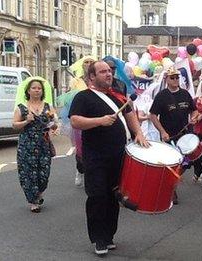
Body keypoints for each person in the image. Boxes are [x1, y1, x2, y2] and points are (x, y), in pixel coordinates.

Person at [69, 61, 148, 256]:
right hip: (95, 157)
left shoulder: (118, 96)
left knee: (114, 196)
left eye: (109, 71)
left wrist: (138, 133)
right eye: (103, 72)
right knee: (97, 196)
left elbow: (130, 116)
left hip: (119, 155)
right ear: (92, 77)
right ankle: (99, 238)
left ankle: (109, 235)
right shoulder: (84, 97)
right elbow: (75, 121)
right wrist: (99, 121)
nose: (108, 74)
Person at [149, 67, 199, 204]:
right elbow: (152, 116)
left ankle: (170, 185)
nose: (176, 79)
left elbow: (194, 111)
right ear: (166, 79)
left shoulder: (185, 94)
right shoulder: (161, 96)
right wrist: (162, 132)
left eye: (177, 77)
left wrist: (194, 118)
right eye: (172, 77)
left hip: (185, 136)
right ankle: (171, 190)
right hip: (168, 136)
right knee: (172, 164)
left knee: (186, 163)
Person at [13, 78, 57, 213]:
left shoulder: (48, 106)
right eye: (34, 88)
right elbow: (14, 125)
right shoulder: (21, 107)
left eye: (39, 88)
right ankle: (33, 201)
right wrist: (26, 121)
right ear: (28, 91)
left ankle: (39, 192)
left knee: (44, 173)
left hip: (43, 144)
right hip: (27, 145)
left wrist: (53, 126)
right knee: (28, 174)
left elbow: (54, 123)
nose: (37, 90)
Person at [69, 56, 95, 187]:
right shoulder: (76, 81)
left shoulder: (97, 80)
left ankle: (92, 174)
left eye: (91, 62)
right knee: (80, 149)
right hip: (80, 116)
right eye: (86, 62)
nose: (89, 64)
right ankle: (80, 170)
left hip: (95, 116)